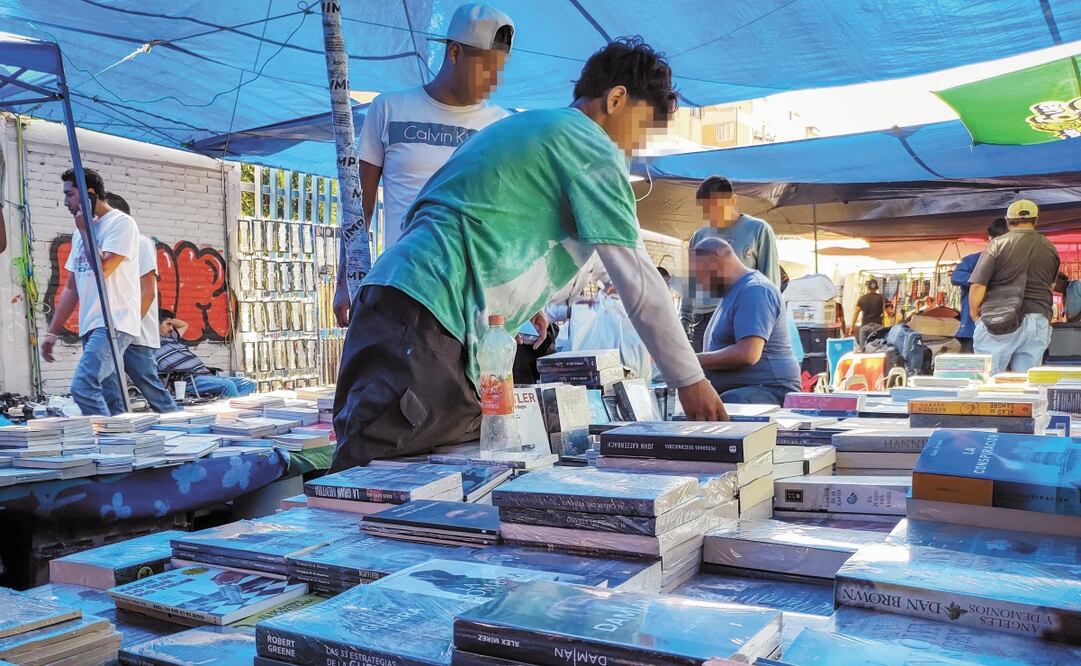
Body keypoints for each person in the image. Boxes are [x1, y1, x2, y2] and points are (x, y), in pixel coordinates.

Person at [333, 37, 727, 470]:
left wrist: (522, 303)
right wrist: (690, 380)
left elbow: (471, 215)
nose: (633, 152)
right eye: (640, 134)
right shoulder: (589, 143)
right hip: (424, 316)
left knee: (426, 471)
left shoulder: (530, 128)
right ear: (617, 100)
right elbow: (639, 281)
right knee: (375, 479)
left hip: (406, 304)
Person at [333, 3, 514, 326]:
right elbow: (361, 205)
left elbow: (508, 217)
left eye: (499, 69)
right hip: (404, 290)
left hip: (475, 298)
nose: (493, 81)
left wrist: (524, 297)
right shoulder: (389, 108)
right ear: (455, 53)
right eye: (486, 68)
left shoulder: (502, 125)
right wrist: (344, 281)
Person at [42, 168, 142, 416]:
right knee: (113, 401)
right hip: (91, 324)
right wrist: (52, 333)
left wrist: (87, 230)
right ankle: (124, 446)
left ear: (89, 194)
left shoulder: (121, 224)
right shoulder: (79, 233)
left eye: (70, 194)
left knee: (83, 387)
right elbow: (71, 287)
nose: (66, 202)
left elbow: (104, 269)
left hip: (114, 322)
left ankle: (105, 445)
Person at [693, 237, 800, 405]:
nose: (699, 282)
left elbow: (748, 354)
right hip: (744, 389)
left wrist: (692, 361)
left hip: (767, 390)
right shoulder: (733, 292)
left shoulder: (755, 290)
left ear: (715, 263)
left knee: (728, 403)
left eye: (700, 274)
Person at [681, 175, 779, 352]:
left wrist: (767, 322)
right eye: (706, 209)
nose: (712, 214)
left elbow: (770, 281)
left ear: (733, 200)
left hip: (739, 315)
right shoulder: (699, 236)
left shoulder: (758, 230)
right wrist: (685, 318)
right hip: (702, 318)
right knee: (702, 374)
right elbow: (691, 281)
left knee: (734, 372)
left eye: (717, 207)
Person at [99, 194, 177, 414]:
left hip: (136, 333)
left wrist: (130, 326)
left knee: (150, 388)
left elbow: (148, 293)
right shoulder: (105, 246)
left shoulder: (141, 243)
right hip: (111, 331)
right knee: (111, 391)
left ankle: (179, 426)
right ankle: (123, 433)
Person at [970, 199, 1060, 374]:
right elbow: (1051, 285)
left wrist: (975, 315)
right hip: (1037, 317)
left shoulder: (997, 244)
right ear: (1035, 220)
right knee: (1027, 384)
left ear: (1008, 220)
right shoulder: (1050, 248)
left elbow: (978, 285)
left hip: (997, 320)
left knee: (988, 381)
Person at [156, 311, 256, 398]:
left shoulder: (172, 337)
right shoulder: (150, 343)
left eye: (171, 324)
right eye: (168, 324)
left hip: (206, 375)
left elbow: (184, 325)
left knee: (249, 383)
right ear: (156, 324)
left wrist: (168, 319)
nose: (171, 328)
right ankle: (235, 411)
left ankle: (231, 401)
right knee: (227, 385)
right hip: (189, 380)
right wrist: (158, 319)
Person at [952, 217, 1010, 352]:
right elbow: (956, 276)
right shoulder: (974, 259)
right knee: (971, 369)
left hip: (1003, 329)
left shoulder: (1012, 264)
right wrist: (984, 280)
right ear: (990, 238)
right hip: (972, 328)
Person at [849, 278, 886, 348]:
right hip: (878, 327)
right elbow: (889, 312)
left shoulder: (862, 299)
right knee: (878, 348)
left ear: (868, 288)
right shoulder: (882, 298)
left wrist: (852, 327)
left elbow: (856, 313)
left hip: (865, 327)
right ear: (877, 288)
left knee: (863, 349)